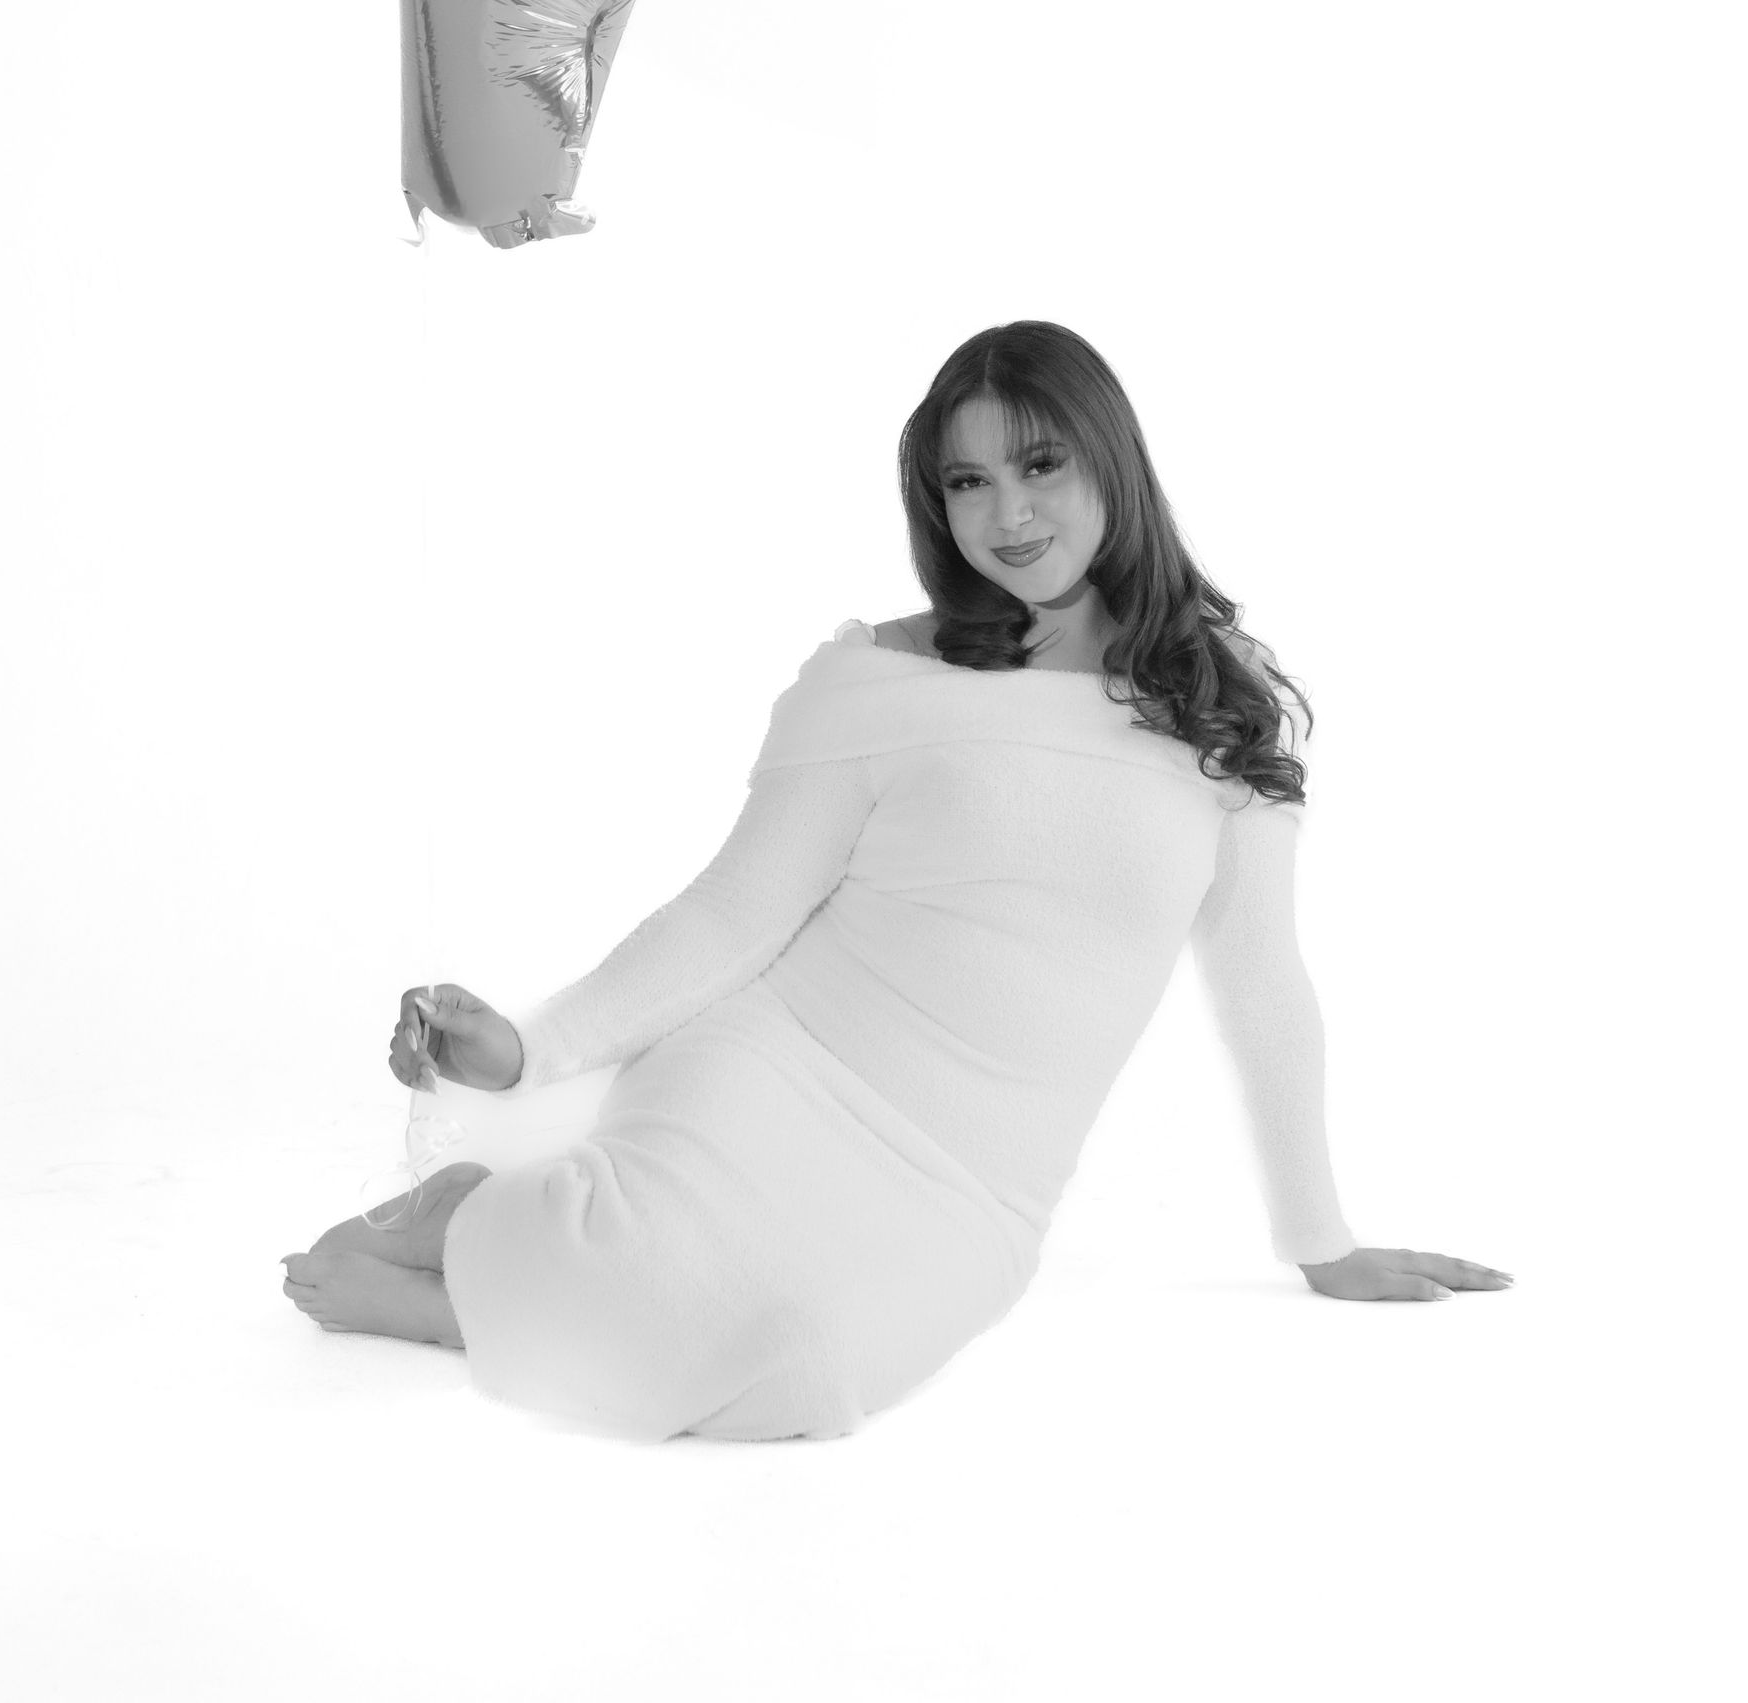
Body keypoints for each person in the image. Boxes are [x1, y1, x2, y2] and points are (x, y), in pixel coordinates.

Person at [281, 320, 1510, 1437]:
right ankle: (456, 1261)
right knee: (667, 1292)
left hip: (974, 1183)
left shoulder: (1218, 703)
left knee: (803, 1377)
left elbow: (1265, 987)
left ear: (1112, 461)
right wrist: (527, 1050)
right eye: (966, 481)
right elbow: (734, 912)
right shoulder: (880, 678)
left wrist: (1321, 1240)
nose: (1006, 513)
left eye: (1040, 464)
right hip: (783, 1068)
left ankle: (474, 1244)